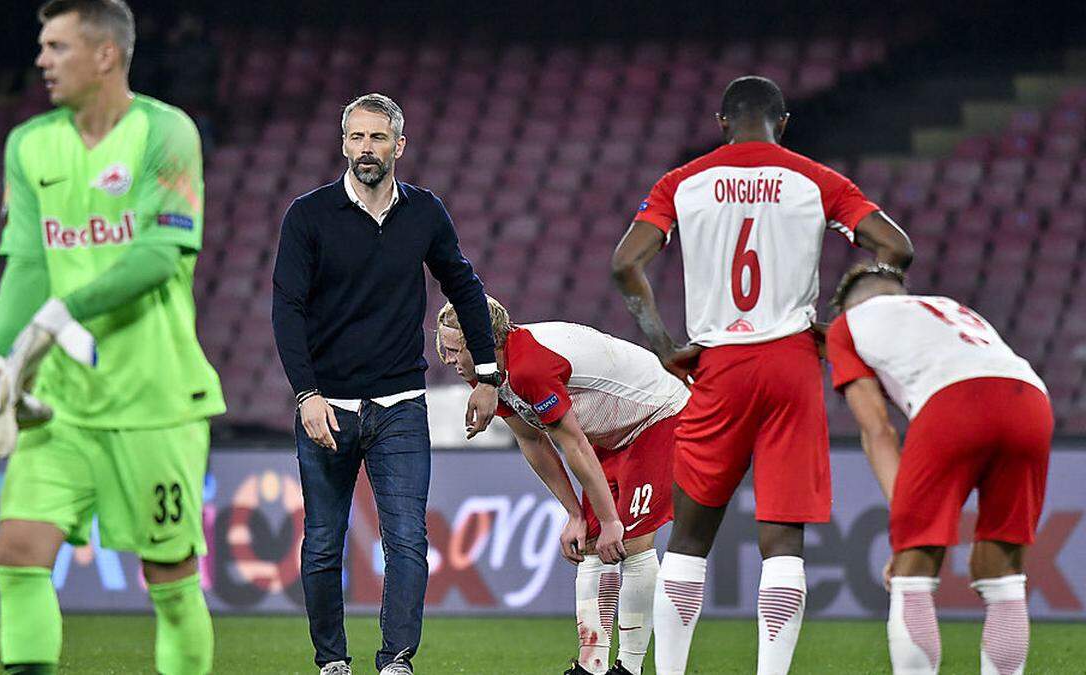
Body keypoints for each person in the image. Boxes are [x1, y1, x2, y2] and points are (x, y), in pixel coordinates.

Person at [610, 75, 914, 674]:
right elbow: (896, 247)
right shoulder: (816, 180)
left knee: (691, 540)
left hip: (718, 364)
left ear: (722, 124)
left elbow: (626, 264)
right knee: (784, 546)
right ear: (785, 123)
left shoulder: (683, 182)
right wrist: (841, 325)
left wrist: (665, 343)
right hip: (792, 362)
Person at [0, 1, 223, 673]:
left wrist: (56, 317)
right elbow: (28, 260)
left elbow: (158, 256)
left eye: (56, 46)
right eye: (42, 47)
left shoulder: (167, 133)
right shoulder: (29, 144)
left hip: (154, 398)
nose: (42, 60)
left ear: (105, 54)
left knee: (170, 576)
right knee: (17, 550)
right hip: (62, 401)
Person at [271, 93, 500, 675]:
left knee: (406, 542)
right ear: (343, 143)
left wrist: (488, 374)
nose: (365, 149)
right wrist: (306, 395)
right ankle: (332, 662)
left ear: (399, 146)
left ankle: (396, 661)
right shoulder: (308, 215)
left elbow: (465, 288)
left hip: (401, 404)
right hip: (328, 405)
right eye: (355, 137)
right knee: (323, 543)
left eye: (377, 138)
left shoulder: (424, 213)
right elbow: (287, 310)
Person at [435, 297, 687, 675]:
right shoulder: (487, 375)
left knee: (630, 542)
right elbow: (533, 440)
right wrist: (574, 514)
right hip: (608, 433)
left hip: (658, 413)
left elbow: (571, 443)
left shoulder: (529, 366)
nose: (447, 359)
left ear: (482, 343)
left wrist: (608, 519)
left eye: (454, 350)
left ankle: (630, 667)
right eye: (443, 348)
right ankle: (593, 665)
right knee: (590, 545)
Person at [824, 263, 1052, 675]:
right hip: (1031, 399)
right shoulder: (946, 306)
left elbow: (877, 428)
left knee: (914, 571)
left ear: (850, 305)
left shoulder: (845, 326)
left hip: (953, 402)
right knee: (1003, 574)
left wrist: (906, 524)